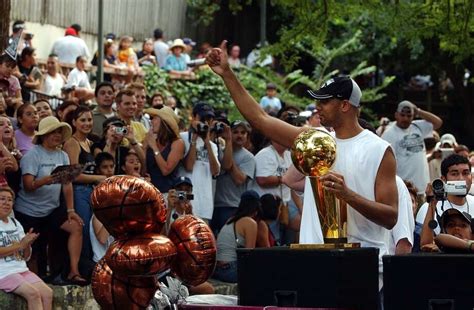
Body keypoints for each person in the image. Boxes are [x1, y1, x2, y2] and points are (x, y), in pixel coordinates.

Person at [207, 42, 398, 285]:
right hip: (314, 263)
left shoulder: (379, 149)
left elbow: (391, 216)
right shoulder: (317, 141)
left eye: (324, 101)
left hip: (361, 268)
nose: (317, 107)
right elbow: (261, 119)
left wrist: (348, 196)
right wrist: (227, 74)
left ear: (345, 105)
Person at [14, 116, 87, 285]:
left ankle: (73, 272)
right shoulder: (32, 155)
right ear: (44, 135)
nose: (57, 135)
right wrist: (48, 179)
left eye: (59, 132)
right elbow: (28, 186)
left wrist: (70, 210)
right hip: (29, 211)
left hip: (52, 209)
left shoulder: (62, 155)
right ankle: (32, 281)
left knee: (76, 227)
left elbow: (67, 184)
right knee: (33, 249)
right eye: (53, 132)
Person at [63, 107, 106, 271]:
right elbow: (73, 176)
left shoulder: (90, 143)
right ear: (74, 122)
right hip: (78, 191)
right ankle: (82, 267)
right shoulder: (72, 143)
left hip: (91, 191)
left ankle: (91, 265)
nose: (87, 123)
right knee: (84, 230)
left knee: (92, 230)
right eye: (82, 120)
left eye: (89, 120)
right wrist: (98, 178)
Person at [0, 187, 53, 310]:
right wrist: (20, 245)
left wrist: (28, 244)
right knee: (33, 294)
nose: (6, 203)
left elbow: (25, 256)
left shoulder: (15, 223)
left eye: (9, 200)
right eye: (2, 199)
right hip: (4, 273)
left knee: (47, 293)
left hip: (21, 269)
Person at [381, 100, 443, 195]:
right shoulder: (389, 133)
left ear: (413, 116)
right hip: (405, 189)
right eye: (402, 115)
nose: (405, 118)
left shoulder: (417, 126)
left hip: (423, 188)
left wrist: (418, 111)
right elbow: (384, 162)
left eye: (409, 116)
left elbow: (438, 122)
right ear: (396, 115)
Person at [418, 154, 474, 249]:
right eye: (454, 174)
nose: (461, 179)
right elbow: (426, 245)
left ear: (471, 177)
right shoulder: (427, 208)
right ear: (443, 179)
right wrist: (432, 203)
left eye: (465, 173)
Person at [212, 120, 256, 235]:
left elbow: (239, 179)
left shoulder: (248, 157)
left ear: (247, 136)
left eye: (243, 133)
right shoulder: (218, 152)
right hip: (214, 205)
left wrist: (229, 146)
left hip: (233, 206)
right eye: (235, 132)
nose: (239, 135)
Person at [179, 103, 220, 221]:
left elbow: (215, 171)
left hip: (205, 206)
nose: (205, 123)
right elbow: (189, 166)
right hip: (185, 203)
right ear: (193, 118)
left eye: (209, 119)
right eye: (202, 119)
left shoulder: (213, 146)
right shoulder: (182, 138)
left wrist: (207, 142)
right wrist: (193, 141)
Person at [213, 190, 260, 283]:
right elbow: (249, 255)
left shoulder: (230, 220)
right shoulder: (250, 223)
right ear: (257, 207)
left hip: (218, 269)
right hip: (231, 270)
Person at [143, 107, 184, 195]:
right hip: (149, 193)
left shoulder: (177, 143)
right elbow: (143, 169)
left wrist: (154, 147)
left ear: (164, 123)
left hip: (167, 195)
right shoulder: (151, 140)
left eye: (155, 118)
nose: (151, 121)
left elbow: (166, 170)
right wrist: (144, 147)